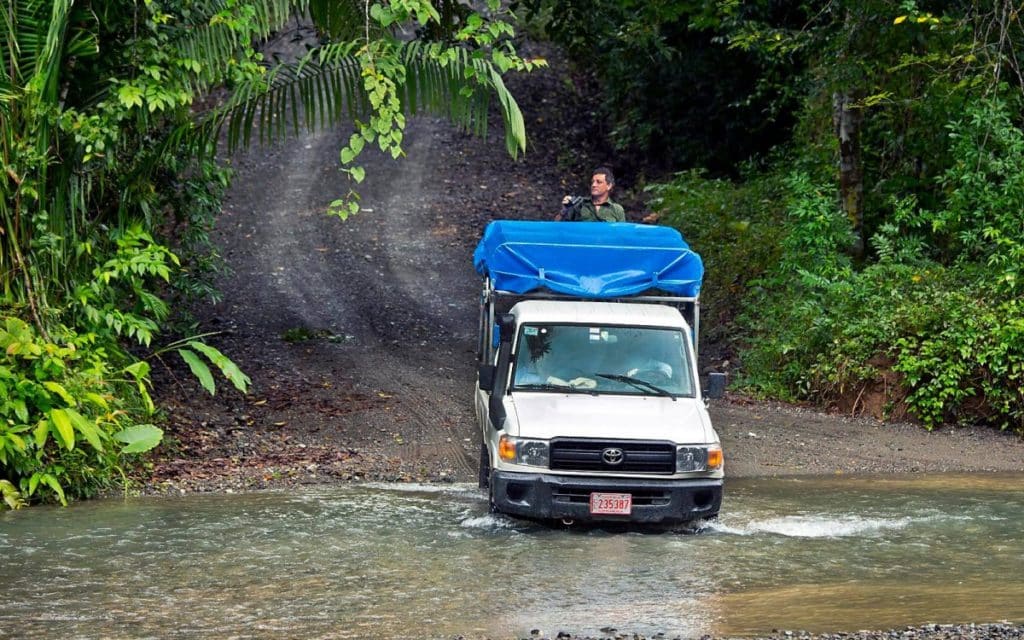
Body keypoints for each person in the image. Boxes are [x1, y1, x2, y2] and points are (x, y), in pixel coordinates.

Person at [555, 166, 626, 222]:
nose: (593, 185)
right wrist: (564, 210)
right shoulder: (579, 204)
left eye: (599, 182)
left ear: (609, 186)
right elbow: (557, 227)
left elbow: (622, 235)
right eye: (592, 182)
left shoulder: (617, 209)